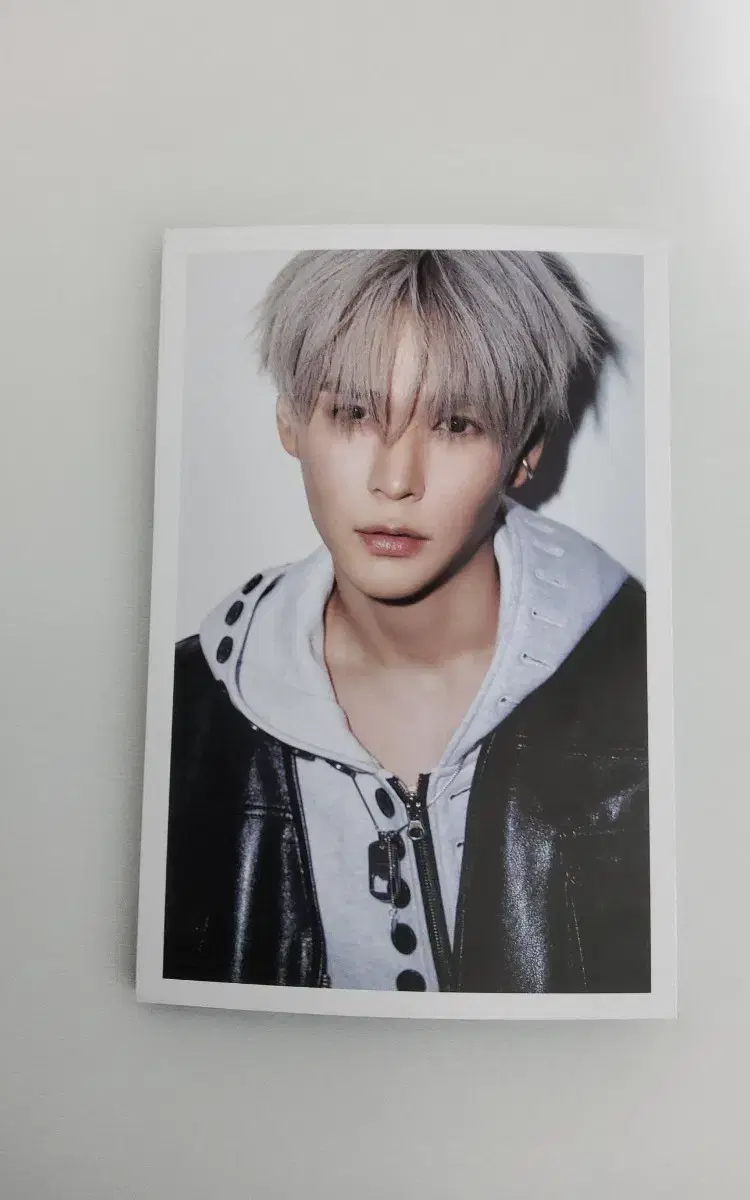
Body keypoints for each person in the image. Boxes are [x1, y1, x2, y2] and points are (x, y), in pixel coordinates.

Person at [163, 249, 650, 994]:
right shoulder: (180, 712)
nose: (395, 480)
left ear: (526, 451)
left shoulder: (654, 687)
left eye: (456, 424)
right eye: (355, 413)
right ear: (290, 421)